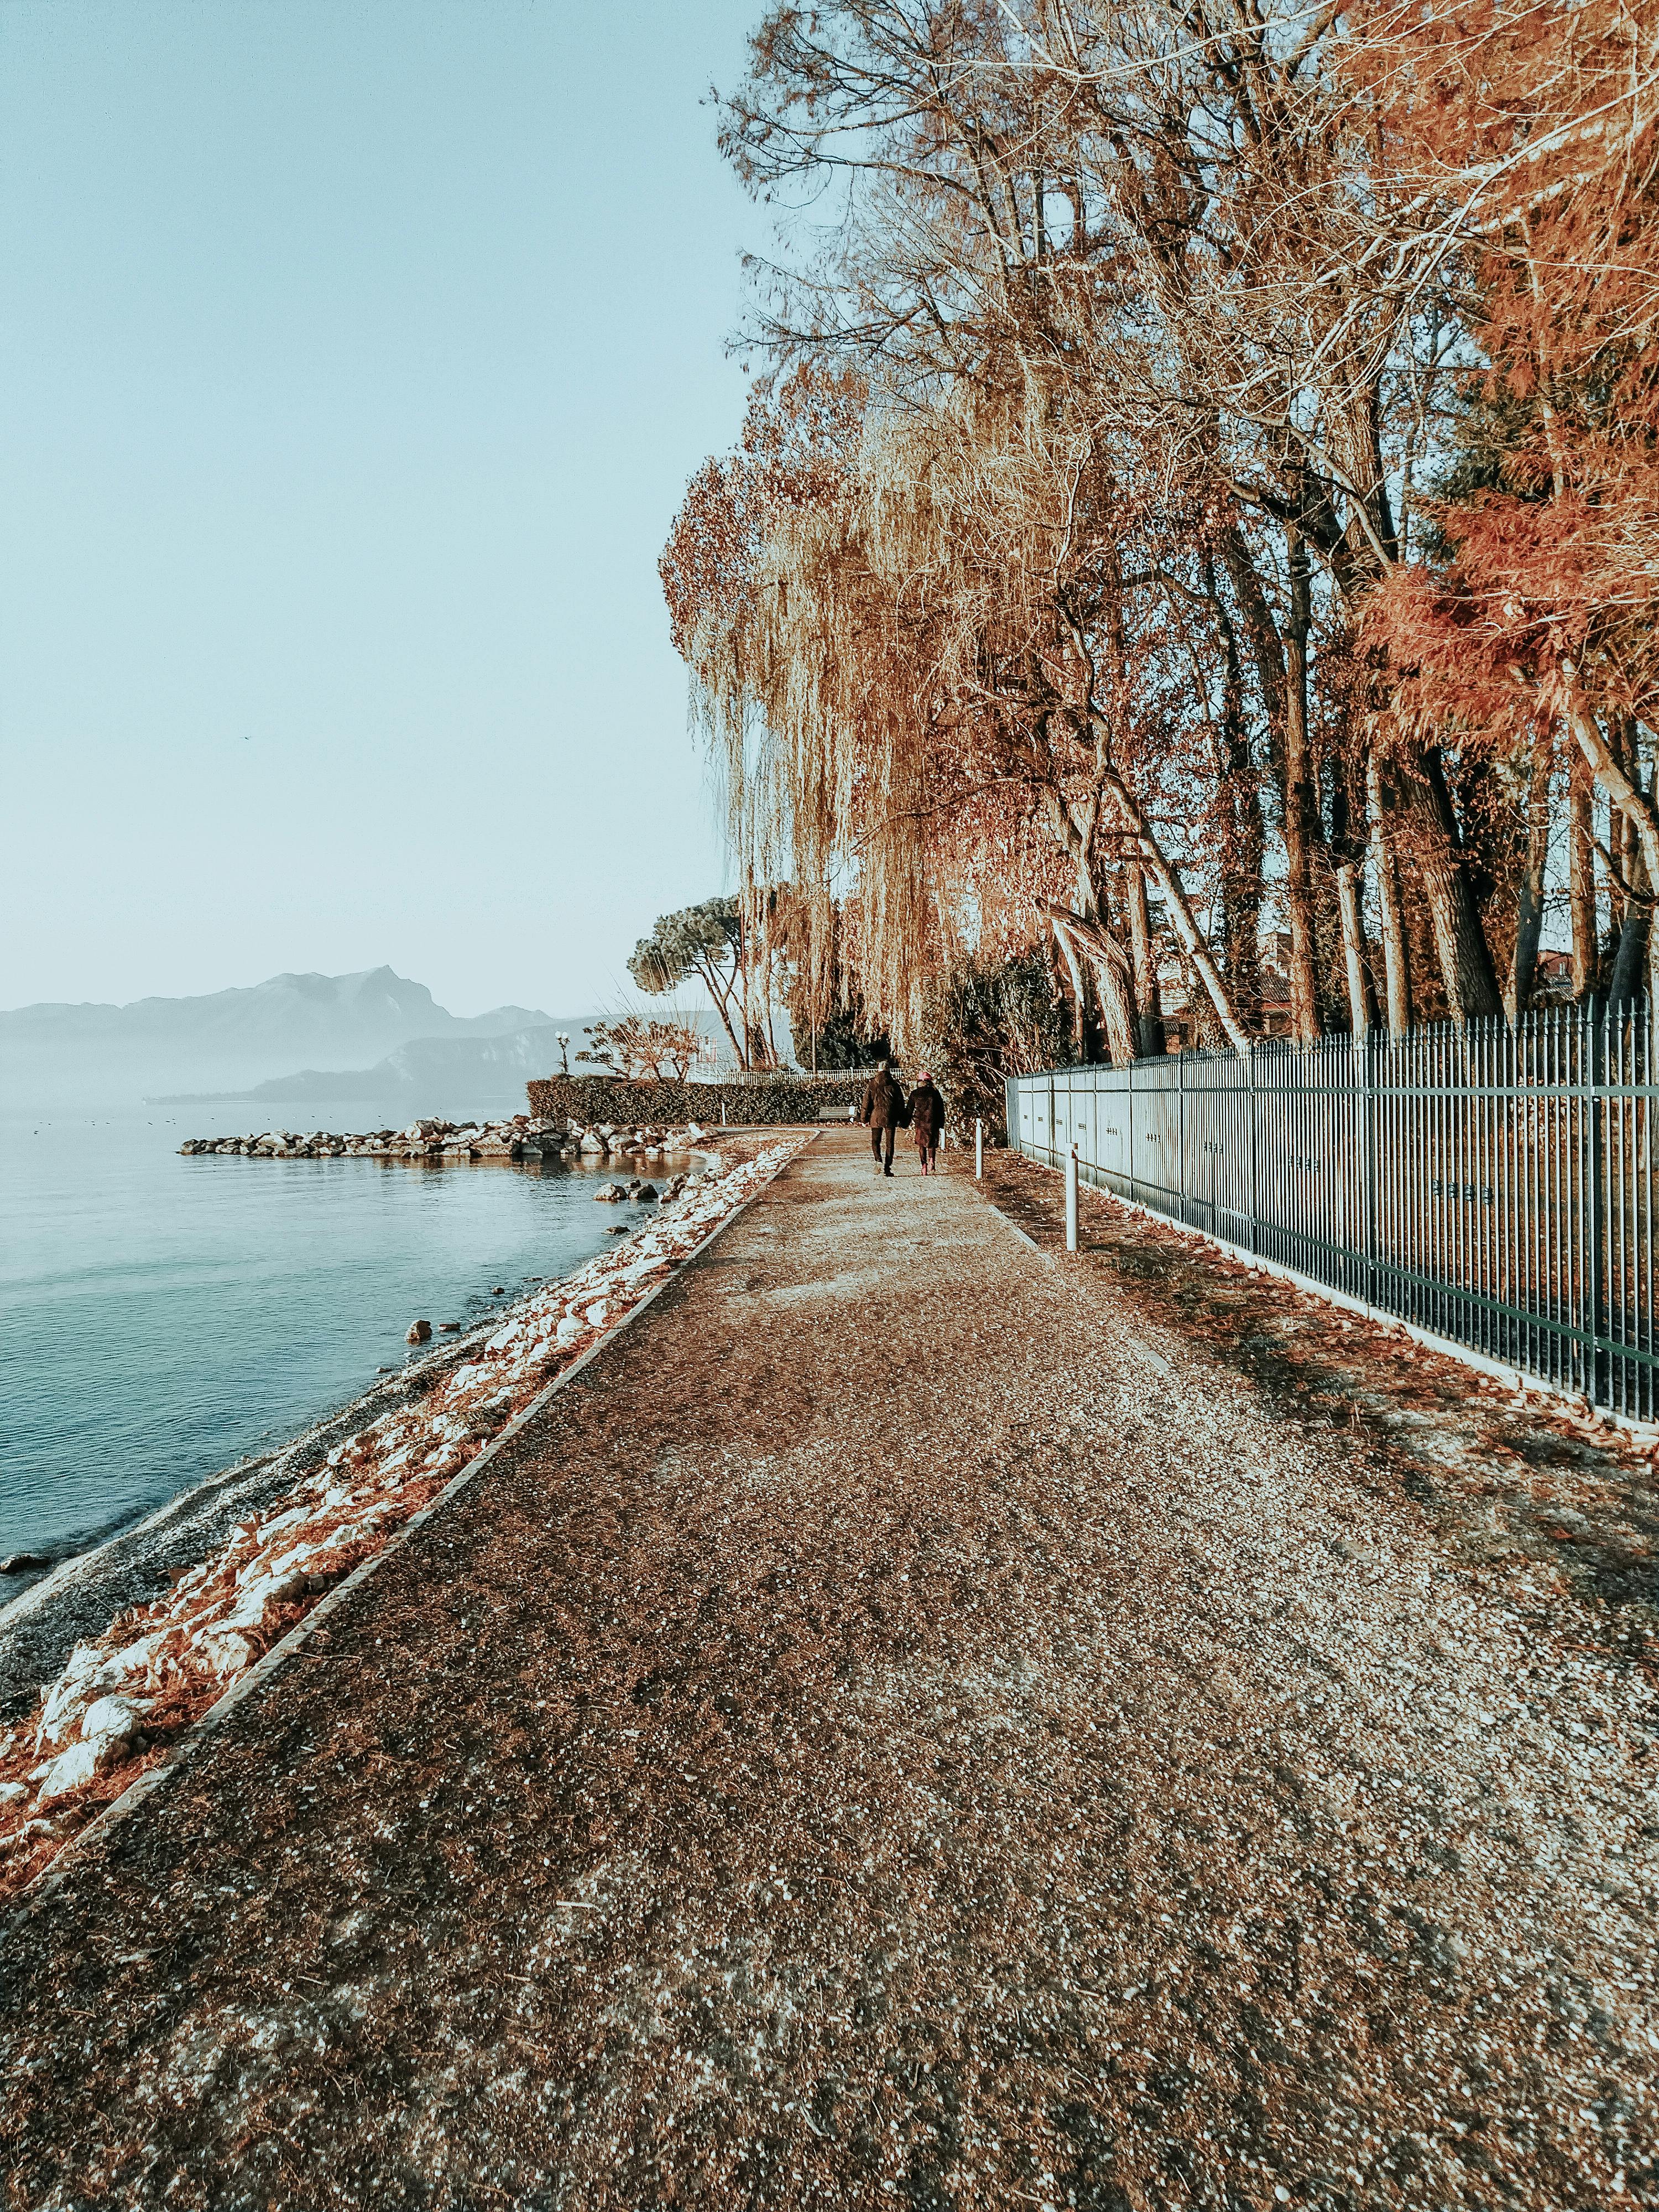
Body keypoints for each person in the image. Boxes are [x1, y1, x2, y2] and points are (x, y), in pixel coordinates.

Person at [858, 1060, 907, 1177]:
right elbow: (900, 1104)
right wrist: (902, 1119)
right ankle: (887, 1168)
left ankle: (878, 1160)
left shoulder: (872, 1084)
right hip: (891, 1117)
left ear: (878, 1069)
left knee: (876, 1141)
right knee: (890, 1143)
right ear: (889, 1070)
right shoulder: (894, 1085)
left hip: (876, 1117)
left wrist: (864, 1118)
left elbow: (866, 1103)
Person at [909, 1069, 945, 1174]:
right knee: (931, 1144)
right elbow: (940, 1109)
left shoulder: (915, 1093)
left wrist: (905, 1122)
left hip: (920, 1123)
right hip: (933, 1122)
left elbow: (909, 1110)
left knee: (922, 1145)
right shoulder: (935, 1093)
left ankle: (924, 1167)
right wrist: (941, 1123)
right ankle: (932, 1163)